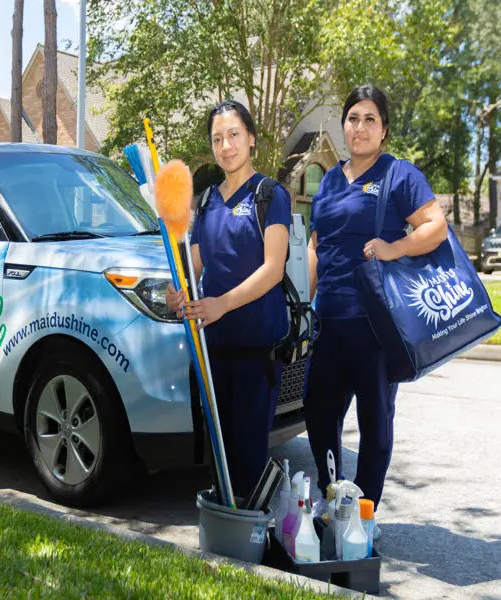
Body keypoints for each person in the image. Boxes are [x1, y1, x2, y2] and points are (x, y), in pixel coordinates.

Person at [304, 84, 448, 524]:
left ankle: (362, 518)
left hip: (375, 325)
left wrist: (394, 247)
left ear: (384, 130)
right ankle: (335, 501)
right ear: (343, 126)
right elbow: (315, 244)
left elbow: (435, 227)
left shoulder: (399, 175)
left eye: (370, 119)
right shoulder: (329, 179)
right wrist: (301, 304)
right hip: (329, 320)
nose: (359, 127)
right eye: (352, 118)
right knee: (317, 411)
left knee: (375, 423)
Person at [165, 100, 291, 499]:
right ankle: (225, 539)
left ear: (251, 138)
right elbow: (195, 267)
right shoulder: (205, 202)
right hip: (213, 348)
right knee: (219, 456)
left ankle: (250, 547)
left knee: (249, 457)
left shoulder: (271, 195)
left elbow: (273, 268)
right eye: (217, 138)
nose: (226, 145)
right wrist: (179, 292)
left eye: (234, 134)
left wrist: (222, 303)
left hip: (257, 350)